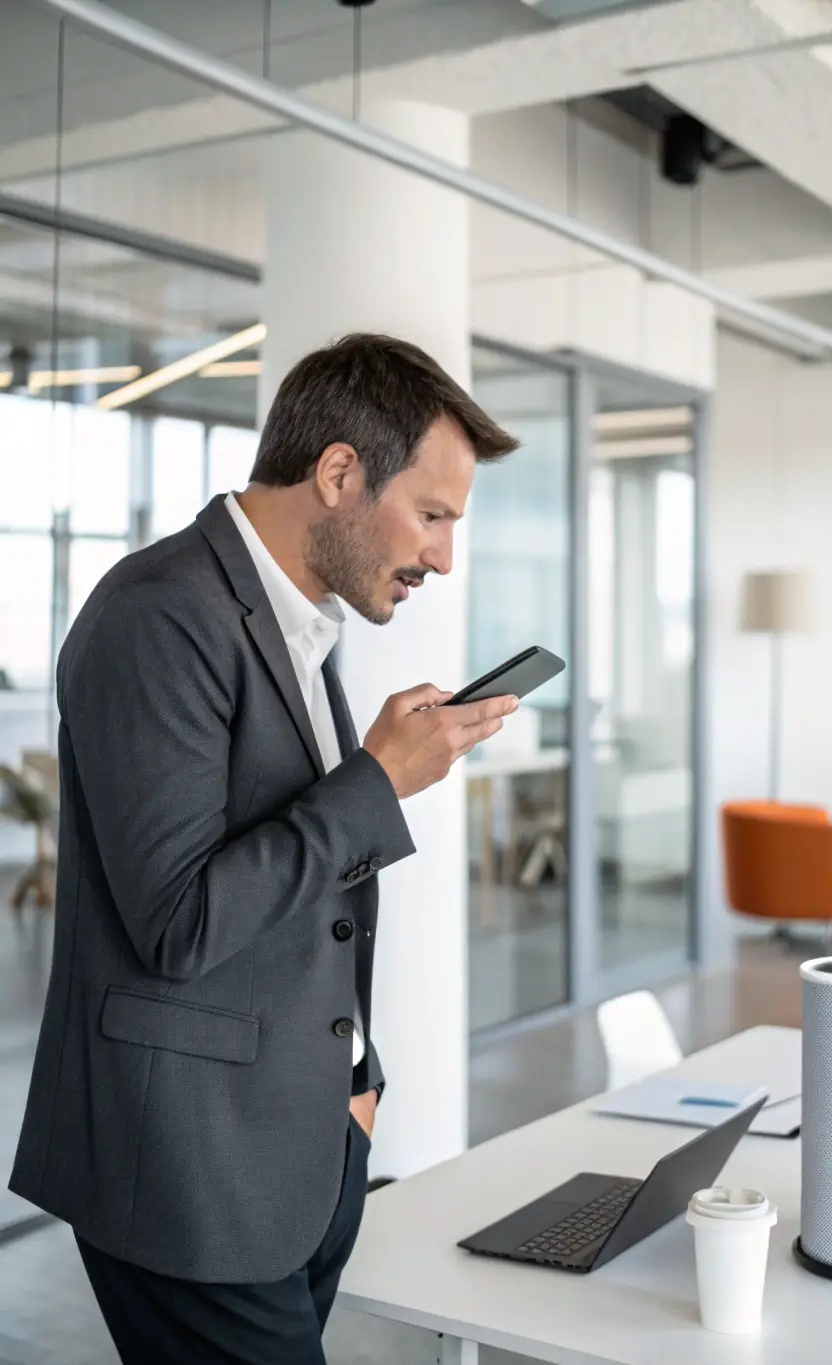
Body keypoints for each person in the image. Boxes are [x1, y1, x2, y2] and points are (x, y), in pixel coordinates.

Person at [9, 334, 520, 1365]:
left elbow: (304, 890)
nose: (441, 556)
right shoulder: (158, 617)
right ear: (338, 473)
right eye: (432, 515)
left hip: (299, 1149)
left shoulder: (301, 625)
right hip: (187, 1172)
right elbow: (180, 922)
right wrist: (375, 781)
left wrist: (354, 1090)